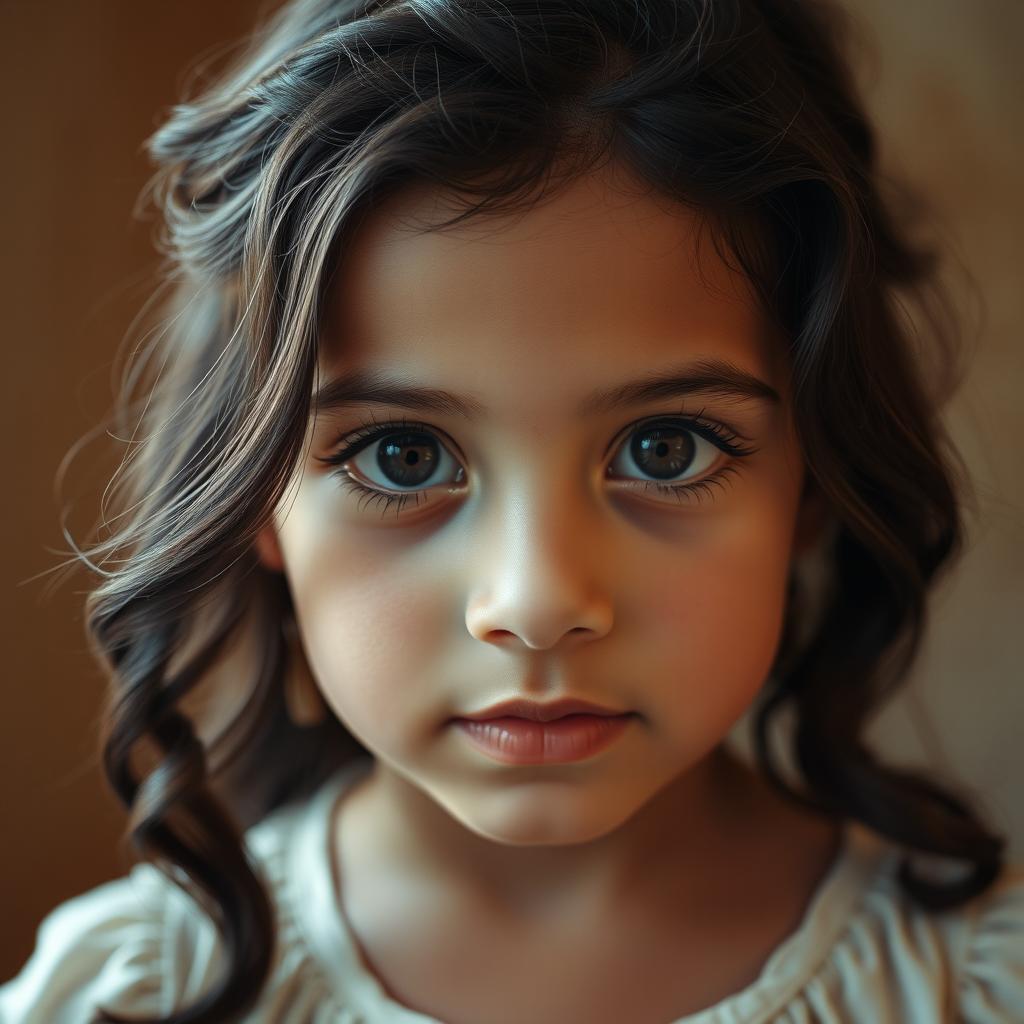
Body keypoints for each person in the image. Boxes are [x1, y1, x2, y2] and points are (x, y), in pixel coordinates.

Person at [2, 0, 1022, 1021]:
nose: (535, 605)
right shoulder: (123, 998)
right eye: (402, 457)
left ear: (814, 471)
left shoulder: (972, 988)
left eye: (664, 449)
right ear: (256, 493)